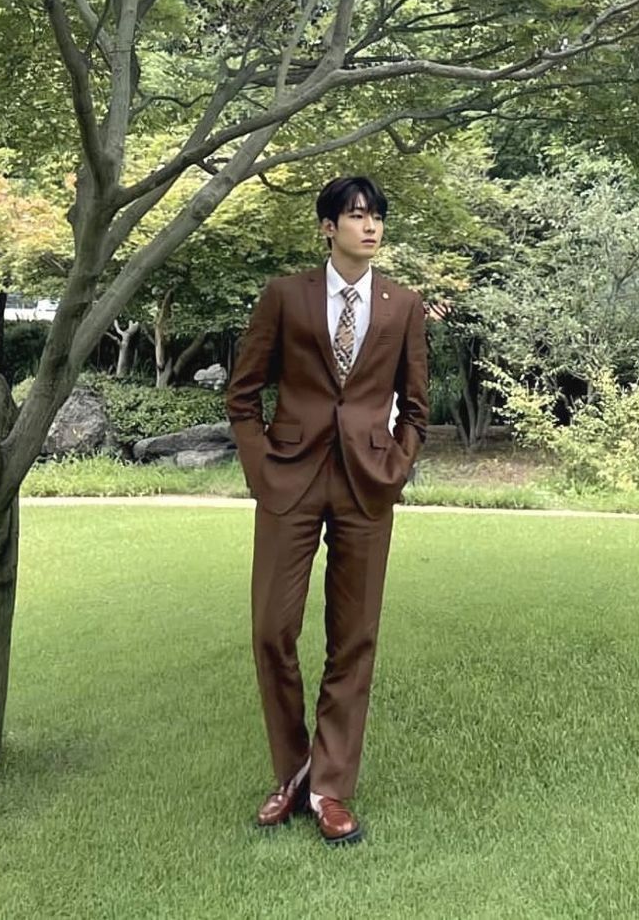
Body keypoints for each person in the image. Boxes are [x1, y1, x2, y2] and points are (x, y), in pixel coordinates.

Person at [225, 174, 429, 846]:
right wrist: (262, 470)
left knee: (355, 638)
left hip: (367, 484)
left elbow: (417, 408)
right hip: (290, 478)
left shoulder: (405, 305)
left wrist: (396, 469)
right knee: (270, 629)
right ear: (328, 227)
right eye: (356, 215)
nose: (370, 227)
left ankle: (330, 787)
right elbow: (243, 394)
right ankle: (291, 771)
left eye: (377, 216)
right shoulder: (287, 296)